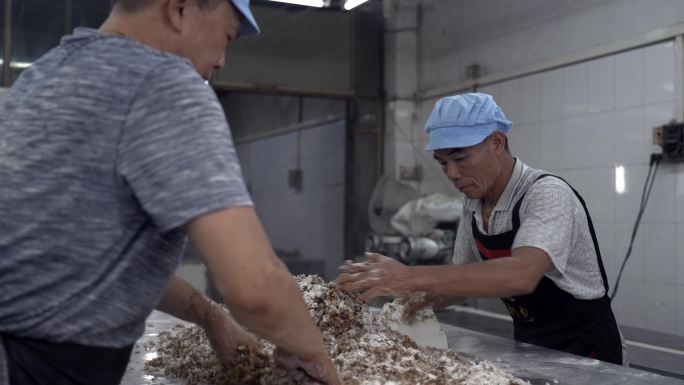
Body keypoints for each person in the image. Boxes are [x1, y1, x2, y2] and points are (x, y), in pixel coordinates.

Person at [0, 1, 340, 384]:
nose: (221, 60)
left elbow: (93, 261)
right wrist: (313, 354)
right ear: (180, 9)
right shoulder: (162, 82)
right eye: (225, 37)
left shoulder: (42, 75)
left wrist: (212, 318)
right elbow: (255, 287)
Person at [339, 93, 624, 365]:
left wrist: (409, 276)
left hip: (587, 354)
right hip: (530, 348)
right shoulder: (474, 203)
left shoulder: (546, 194)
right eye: (443, 163)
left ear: (497, 142)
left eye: (460, 159)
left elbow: (522, 274)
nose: (451, 174)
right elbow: (460, 281)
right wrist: (401, 303)